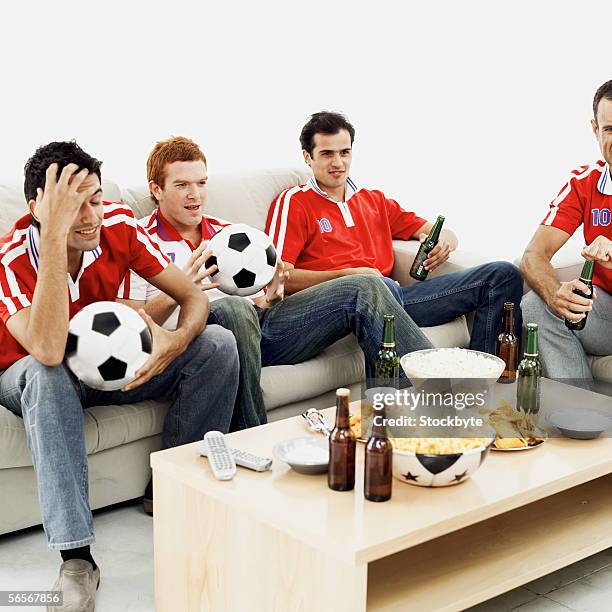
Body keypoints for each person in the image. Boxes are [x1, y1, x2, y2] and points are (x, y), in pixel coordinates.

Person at [0, 142, 239, 611]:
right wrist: (51, 240)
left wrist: (173, 342)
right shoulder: (10, 259)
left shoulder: (116, 224)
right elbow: (47, 349)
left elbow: (194, 299)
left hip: (102, 365)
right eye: (74, 205)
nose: (92, 215)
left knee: (217, 344)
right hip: (26, 373)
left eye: (95, 198)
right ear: (38, 209)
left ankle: (172, 490)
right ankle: (76, 559)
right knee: (48, 374)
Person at [124, 136, 435, 428]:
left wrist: (273, 293)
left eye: (201, 183)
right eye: (181, 185)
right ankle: (252, 433)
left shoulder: (231, 233)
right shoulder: (138, 240)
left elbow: (263, 301)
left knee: (368, 287)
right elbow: (134, 327)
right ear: (157, 189)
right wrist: (181, 291)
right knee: (233, 308)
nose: (195, 194)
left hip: (264, 329)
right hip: (206, 342)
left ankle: (437, 407)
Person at [266, 112, 524, 356]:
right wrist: (347, 276)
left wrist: (445, 240)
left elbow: (433, 229)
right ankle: (433, 388)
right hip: (331, 308)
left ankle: (485, 384)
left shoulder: (373, 200)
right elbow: (277, 278)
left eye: (345, 152)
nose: (338, 162)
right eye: (326, 154)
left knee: (502, 275)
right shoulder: (294, 202)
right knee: (373, 286)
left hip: (393, 297)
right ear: (307, 157)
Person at [521, 80, 612, 382]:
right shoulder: (583, 183)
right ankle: (580, 414)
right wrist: (556, 294)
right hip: (606, 311)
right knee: (535, 303)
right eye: (610, 129)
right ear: (595, 129)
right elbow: (534, 255)